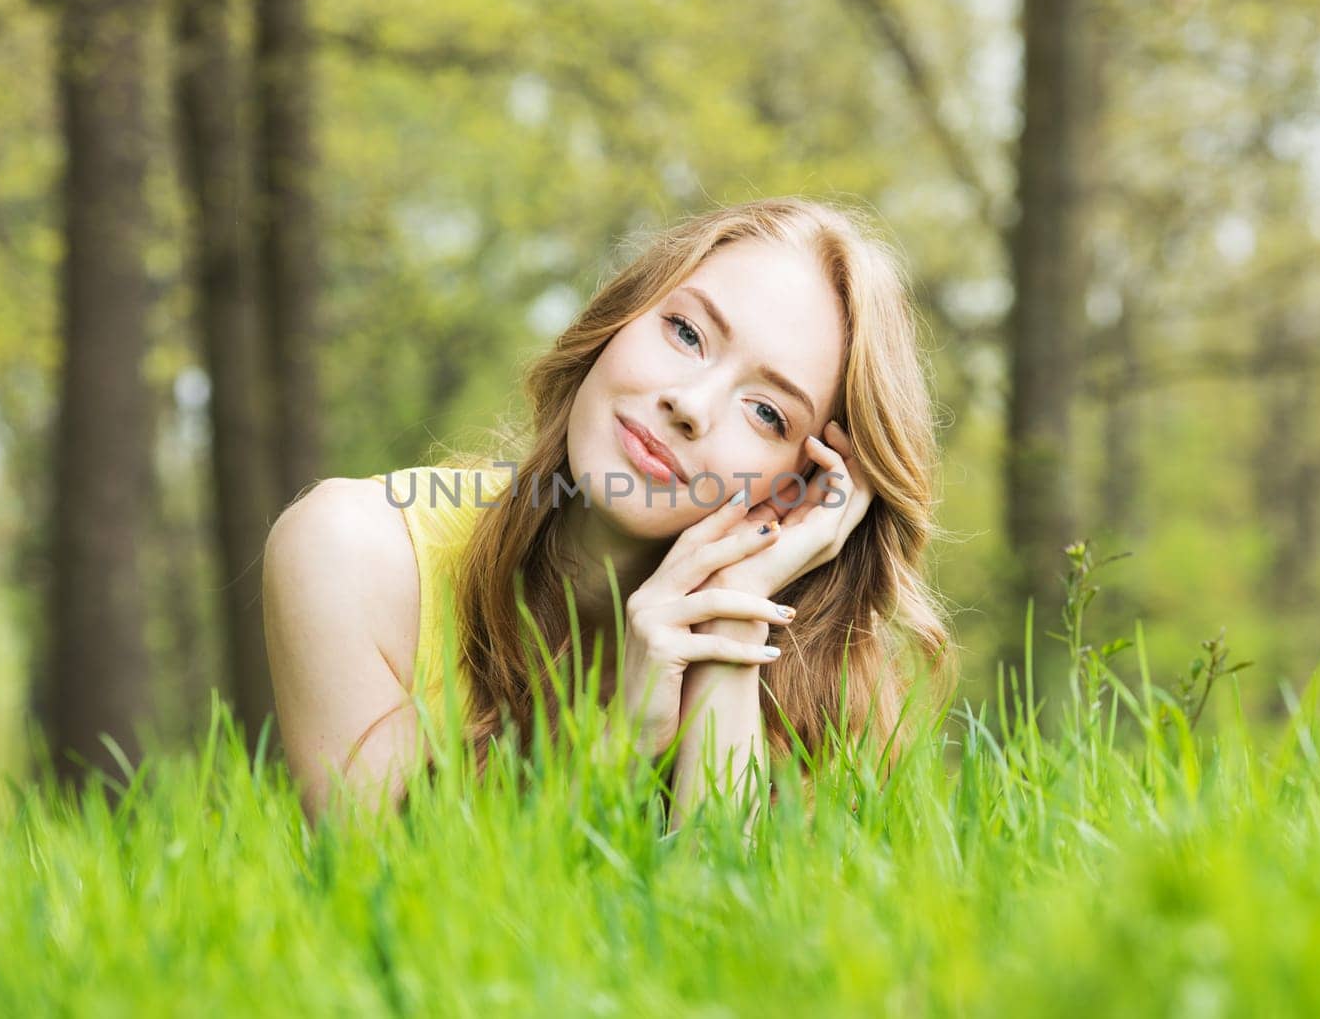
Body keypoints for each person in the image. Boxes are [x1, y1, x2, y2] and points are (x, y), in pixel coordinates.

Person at [262, 195, 956, 829]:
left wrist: (734, 618)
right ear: (618, 319)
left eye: (767, 411)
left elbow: (736, 941)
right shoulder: (352, 554)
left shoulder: (815, 677)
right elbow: (404, 921)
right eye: (686, 332)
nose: (689, 403)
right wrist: (621, 747)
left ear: (799, 489)